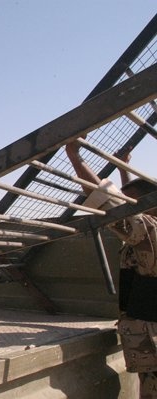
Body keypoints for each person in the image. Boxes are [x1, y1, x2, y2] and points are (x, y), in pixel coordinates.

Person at [66, 141, 157, 398]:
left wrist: (74, 156)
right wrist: (124, 170)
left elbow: (109, 202)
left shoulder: (151, 230)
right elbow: (132, 211)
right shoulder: (147, 232)